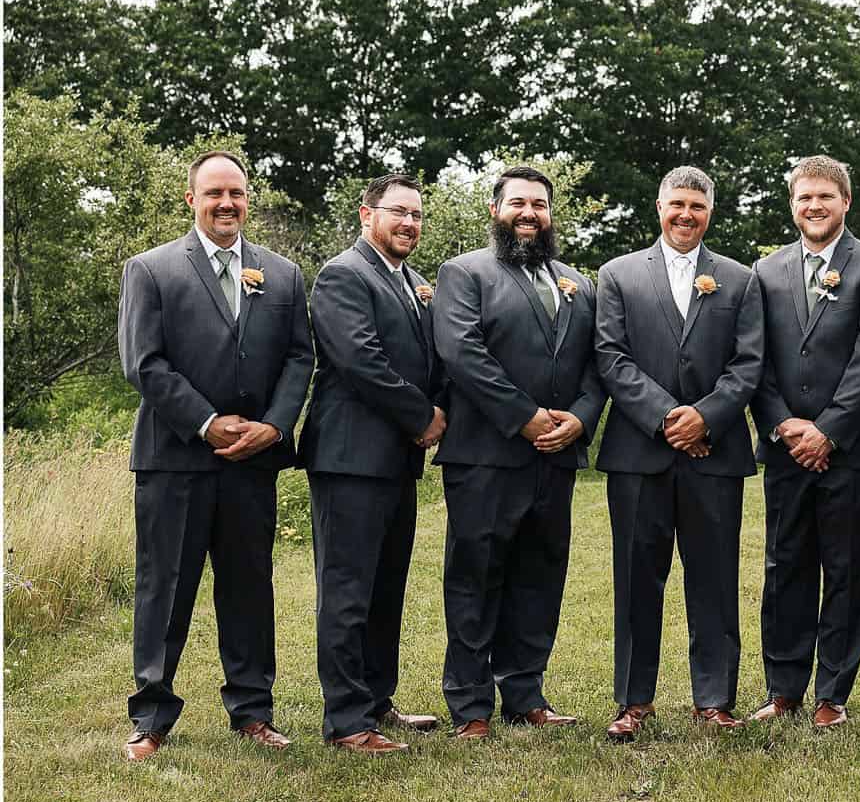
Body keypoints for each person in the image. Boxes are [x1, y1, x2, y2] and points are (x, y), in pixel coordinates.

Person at [118, 150, 313, 761]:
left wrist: (275, 428)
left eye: (236, 193)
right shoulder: (150, 270)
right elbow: (143, 363)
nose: (226, 204)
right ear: (191, 200)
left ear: (248, 198)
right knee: (164, 587)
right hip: (175, 458)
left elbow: (299, 358)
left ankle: (252, 711)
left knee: (249, 587)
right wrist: (206, 423)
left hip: (252, 461)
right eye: (213, 194)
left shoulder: (281, 274)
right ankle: (151, 716)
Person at [433, 164, 605, 738]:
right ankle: (471, 704)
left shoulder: (579, 283)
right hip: (485, 455)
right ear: (496, 211)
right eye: (518, 203)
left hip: (555, 458)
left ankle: (526, 692)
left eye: (540, 204)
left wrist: (579, 420)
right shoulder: (465, 274)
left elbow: (595, 368)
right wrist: (526, 418)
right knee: (475, 578)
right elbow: (463, 353)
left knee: (540, 577)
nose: (529, 214)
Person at [595, 165, 764, 740]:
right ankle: (633, 702)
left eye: (696, 205)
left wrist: (706, 417)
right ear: (659, 207)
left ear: (709, 212)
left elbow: (749, 364)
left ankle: (714, 699)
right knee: (637, 578)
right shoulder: (618, 275)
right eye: (676, 204)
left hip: (714, 453)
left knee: (714, 577)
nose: (685, 214)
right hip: (639, 452)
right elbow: (611, 357)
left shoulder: (739, 280)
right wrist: (668, 417)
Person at [749, 156, 860, 729]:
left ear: (845, 202)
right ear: (793, 204)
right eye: (804, 197)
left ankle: (832, 692)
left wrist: (829, 430)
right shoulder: (766, 271)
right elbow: (754, 361)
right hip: (786, 446)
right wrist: (785, 424)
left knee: (846, 566)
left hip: (850, 447)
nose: (814, 206)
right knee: (784, 563)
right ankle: (783, 687)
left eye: (825, 197)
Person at [301, 173, 446, 754]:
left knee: (387, 588)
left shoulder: (412, 281)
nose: (409, 223)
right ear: (367, 215)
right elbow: (361, 360)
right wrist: (424, 417)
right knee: (347, 591)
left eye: (416, 214)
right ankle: (345, 721)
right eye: (397, 212)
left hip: (395, 464)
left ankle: (378, 700)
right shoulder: (343, 275)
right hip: (350, 459)